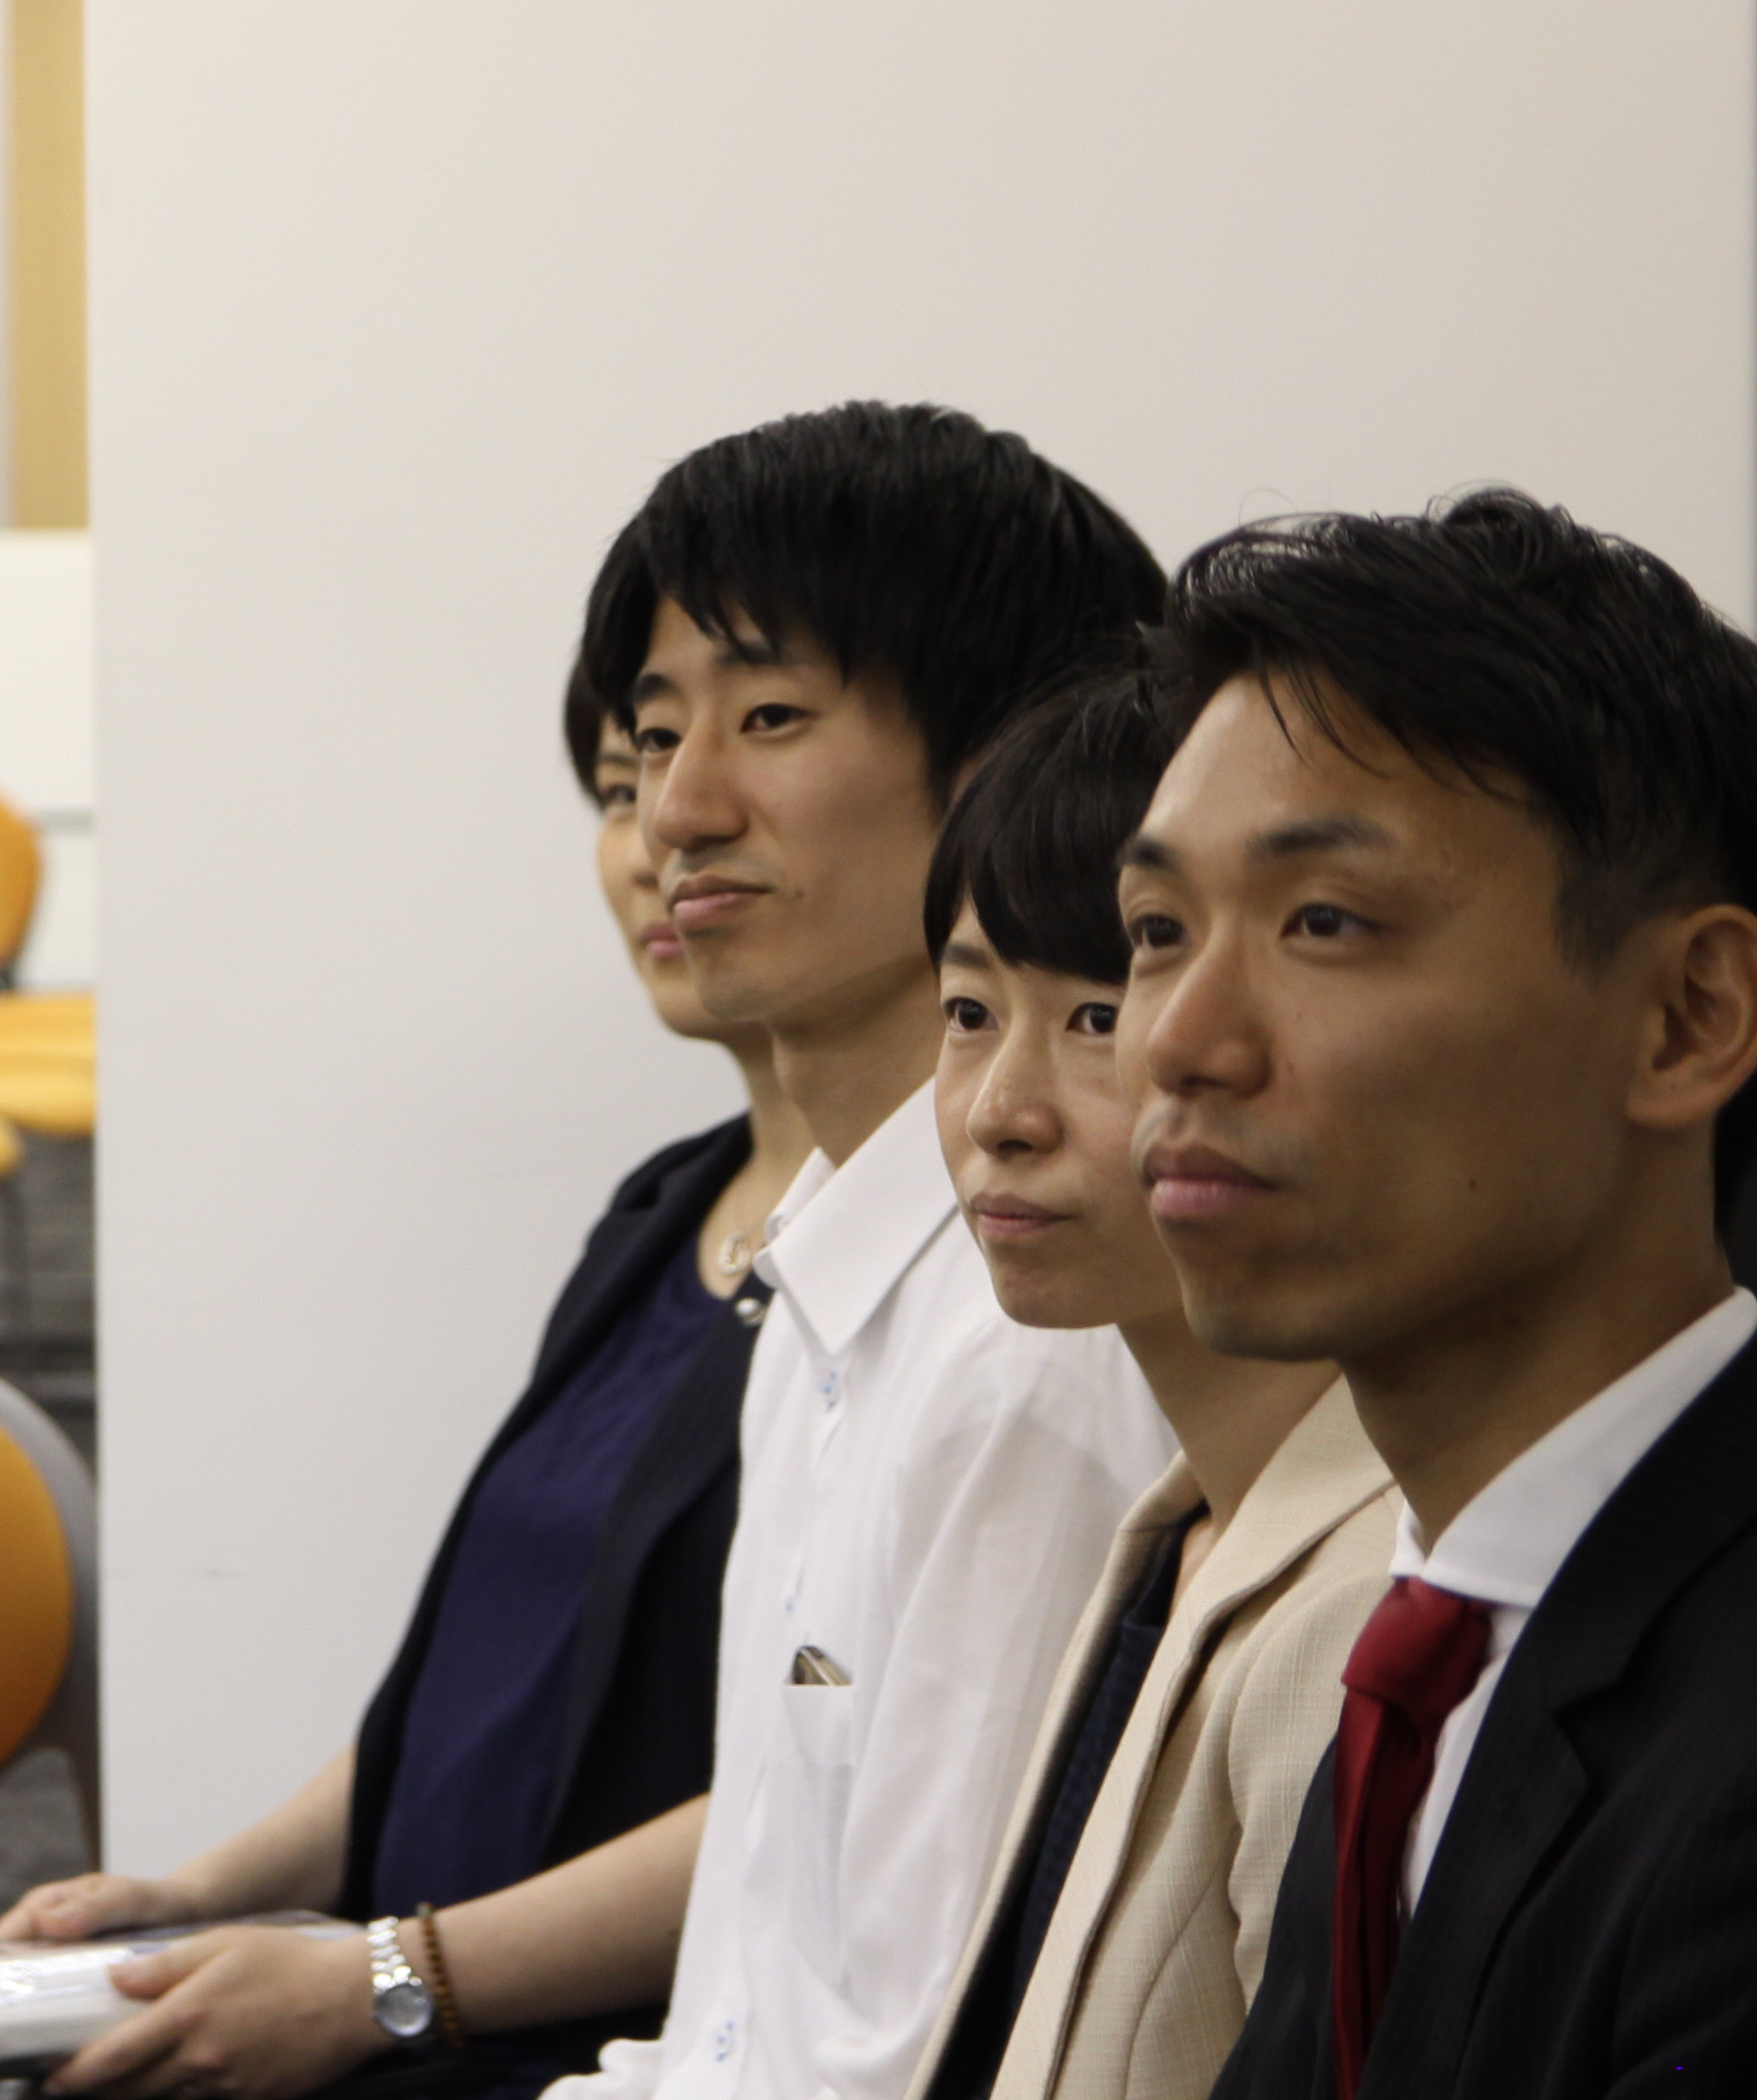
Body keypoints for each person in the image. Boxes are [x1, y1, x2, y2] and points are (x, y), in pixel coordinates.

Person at [0, 673, 798, 2099]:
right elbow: (471, 1703)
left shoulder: (961, 1280)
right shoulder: (664, 1213)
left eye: (768, 726)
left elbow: (829, 1799)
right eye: (625, 778)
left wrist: (386, 1982)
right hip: (412, 1997)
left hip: (581, 2043)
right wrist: (197, 1897)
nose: (667, 825)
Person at [548, 402, 1175, 2100]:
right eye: (651, 734)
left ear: (1004, 767)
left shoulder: (1040, 1320)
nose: (676, 810)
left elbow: (892, 2057)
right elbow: (748, 2002)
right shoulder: (822, 1282)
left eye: (766, 717)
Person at [1121, 496, 1757, 2099]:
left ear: (1687, 1017)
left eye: (1324, 922)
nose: (1183, 1041)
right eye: (1154, 931)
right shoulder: (1434, 1640)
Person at [903, 674, 1392, 2100]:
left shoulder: (1365, 1591)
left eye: (1098, 1015)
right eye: (968, 1009)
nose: (1004, 1111)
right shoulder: (1178, 1528)